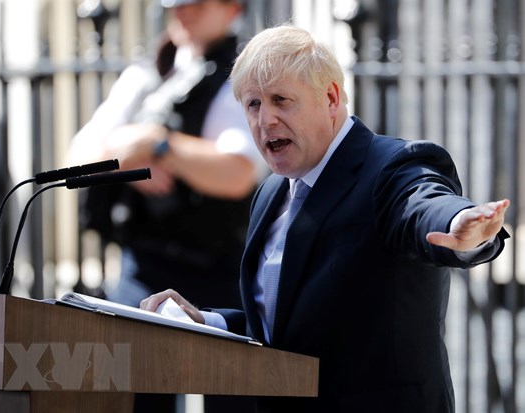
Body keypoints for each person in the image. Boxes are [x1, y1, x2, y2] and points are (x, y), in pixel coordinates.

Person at [140, 25, 511, 413]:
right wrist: (204, 323)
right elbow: (285, 332)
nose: (265, 120)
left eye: (281, 100)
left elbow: (422, 202)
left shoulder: (390, 167)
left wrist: (460, 224)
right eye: (253, 104)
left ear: (331, 97)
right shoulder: (270, 192)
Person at [69, 0, 265, 411]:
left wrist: (158, 144)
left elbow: (236, 172)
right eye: (176, 4)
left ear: (231, 8)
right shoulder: (147, 73)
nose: (182, 11)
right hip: (143, 269)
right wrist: (132, 156)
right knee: (136, 397)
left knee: (232, 396)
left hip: (217, 270)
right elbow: (81, 156)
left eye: (196, 3)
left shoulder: (242, 76)